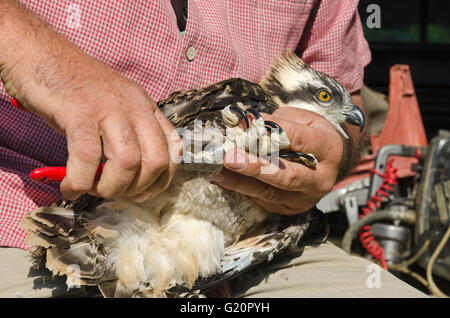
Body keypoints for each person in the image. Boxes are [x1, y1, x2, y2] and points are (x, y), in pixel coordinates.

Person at [0, 0, 426, 297]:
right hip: (26, 221)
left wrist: (331, 147)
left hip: (241, 259)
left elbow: (346, 108)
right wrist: (35, 57)